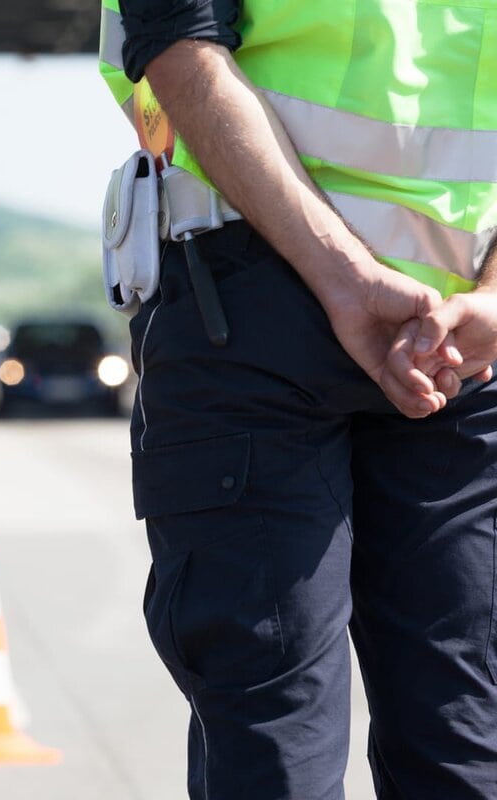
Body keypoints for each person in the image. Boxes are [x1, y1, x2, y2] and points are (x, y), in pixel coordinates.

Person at [99, 0, 497, 797]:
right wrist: (349, 279)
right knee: (290, 741)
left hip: (441, 338)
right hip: (271, 311)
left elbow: (178, 40)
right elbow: (176, 39)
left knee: (452, 742)